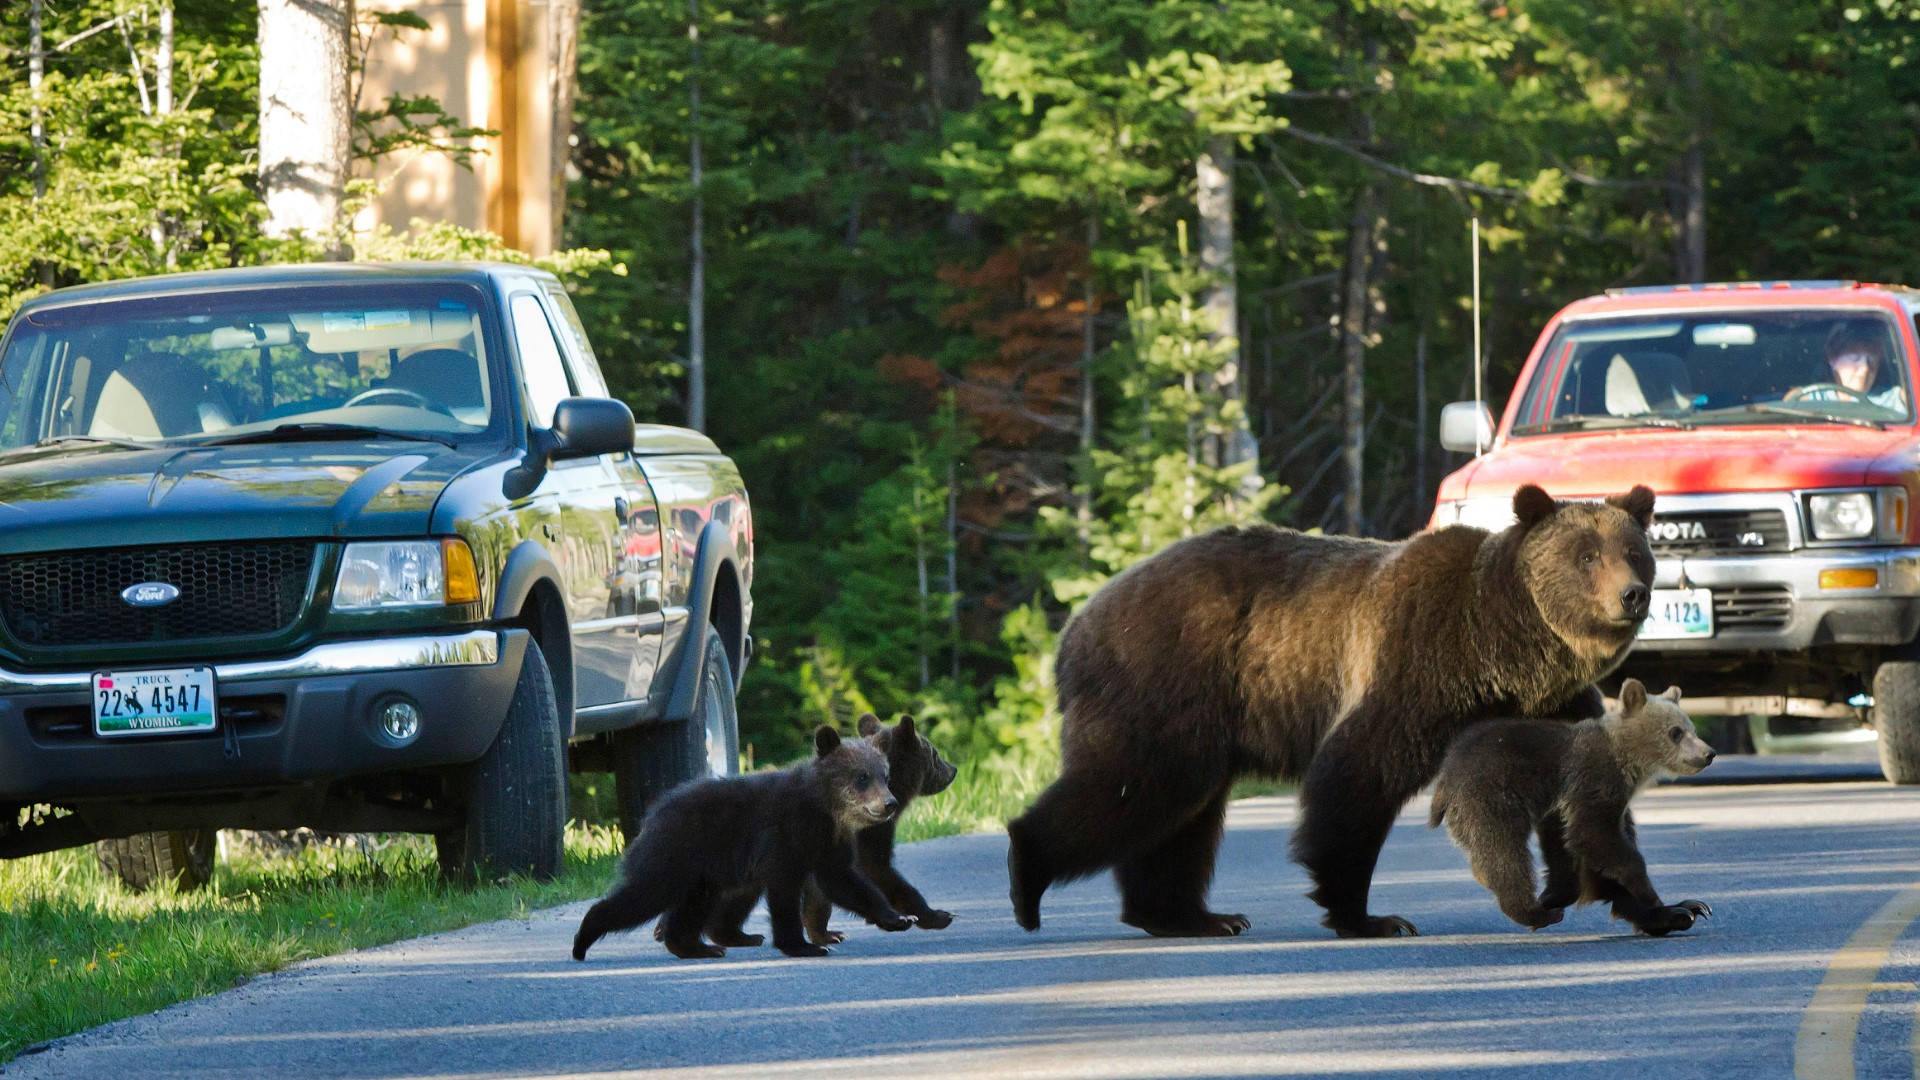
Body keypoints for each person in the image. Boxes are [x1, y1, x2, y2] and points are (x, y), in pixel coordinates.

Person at [1795, 322, 1909, 414]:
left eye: (1872, 360)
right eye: (1855, 359)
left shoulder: (1894, 400)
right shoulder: (1813, 398)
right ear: (1832, 358)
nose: (1865, 368)